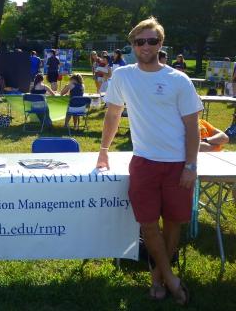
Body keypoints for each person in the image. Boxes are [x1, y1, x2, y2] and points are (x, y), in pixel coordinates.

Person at [96, 17, 202, 306]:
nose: (145, 46)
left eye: (152, 40)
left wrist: (190, 166)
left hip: (178, 163)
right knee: (147, 224)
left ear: (161, 43)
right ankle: (169, 278)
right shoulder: (123, 76)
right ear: (132, 45)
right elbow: (113, 114)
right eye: (139, 41)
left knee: (172, 223)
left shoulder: (178, 79)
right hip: (143, 162)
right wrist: (104, 149)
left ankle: (158, 278)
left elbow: (193, 126)